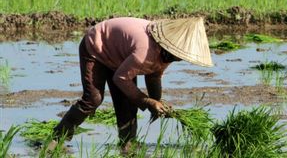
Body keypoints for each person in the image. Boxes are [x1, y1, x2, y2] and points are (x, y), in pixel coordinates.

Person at [51, 17, 213, 152]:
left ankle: (127, 144)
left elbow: (154, 76)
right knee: (93, 99)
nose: (182, 58)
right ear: (173, 46)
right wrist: (148, 102)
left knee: (128, 102)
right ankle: (55, 140)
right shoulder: (145, 50)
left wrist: (158, 102)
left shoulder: (167, 53)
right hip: (97, 47)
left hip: (121, 57)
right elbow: (120, 79)